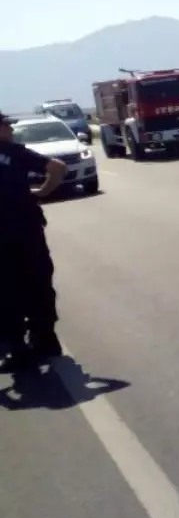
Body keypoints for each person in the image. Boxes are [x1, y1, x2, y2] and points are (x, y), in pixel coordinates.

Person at [0, 111, 67, 370]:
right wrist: (42, 192)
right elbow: (58, 167)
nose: (11, 130)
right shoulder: (16, 152)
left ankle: (15, 348)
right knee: (38, 282)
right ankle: (45, 339)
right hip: (27, 230)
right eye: (6, 126)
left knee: (6, 289)